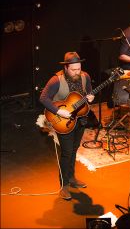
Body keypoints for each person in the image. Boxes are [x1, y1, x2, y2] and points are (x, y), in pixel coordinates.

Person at [39, 52, 95, 200]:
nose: (77, 72)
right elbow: (43, 98)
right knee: (67, 152)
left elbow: (89, 92)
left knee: (74, 150)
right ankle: (64, 186)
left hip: (80, 119)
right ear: (66, 68)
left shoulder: (85, 76)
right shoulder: (56, 80)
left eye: (79, 68)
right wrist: (58, 111)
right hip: (63, 121)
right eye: (73, 69)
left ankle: (71, 178)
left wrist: (91, 97)